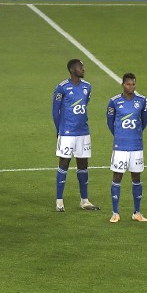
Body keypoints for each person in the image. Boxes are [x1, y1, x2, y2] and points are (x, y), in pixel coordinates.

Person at [53, 59, 99, 212]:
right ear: (72, 70)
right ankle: (59, 201)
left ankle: (84, 200)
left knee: (83, 165)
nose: (83, 69)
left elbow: (85, 105)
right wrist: (59, 130)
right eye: (80, 67)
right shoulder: (62, 88)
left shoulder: (87, 87)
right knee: (64, 164)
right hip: (67, 133)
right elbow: (55, 112)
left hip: (83, 132)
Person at [106, 73, 147, 224]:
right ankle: (115, 212)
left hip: (136, 146)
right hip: (120, 147)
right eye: (128, 84)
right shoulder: (114, 102)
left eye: (133, 84)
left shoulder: (142, 101)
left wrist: (135, 134)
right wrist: (120, 135)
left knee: (136, 178)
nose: (130, 87)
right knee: (117, 177)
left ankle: (137, 212)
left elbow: (144, 122)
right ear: (122, 85)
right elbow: (110, 122)